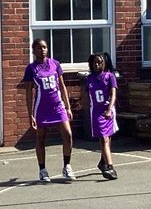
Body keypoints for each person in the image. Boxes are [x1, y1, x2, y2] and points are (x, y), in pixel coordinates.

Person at [20, 38, 74, 182]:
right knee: (41, 139)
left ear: (47, 49)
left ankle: (67, 166)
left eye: (44, 47)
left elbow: (62, 87)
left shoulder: (55, 64)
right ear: (34, 50)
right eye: (38, 48)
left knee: (68, 134)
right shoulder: (31, 69)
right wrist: (30, 114)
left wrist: (68, 107)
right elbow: (29, 92)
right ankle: (43, 170)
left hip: (57, 106)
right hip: (41, 108)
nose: (42, 50)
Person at [86, 52, 119, 180]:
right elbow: (86, 95)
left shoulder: (110, 76)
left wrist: (109, 109)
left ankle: (102, 162)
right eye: (94, 63)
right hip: (96, 112)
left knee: (108, 138)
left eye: (99, 62)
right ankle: (110, 167)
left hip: (108, 110)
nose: (97, 65)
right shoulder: (89, 78)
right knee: (104, 139)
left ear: (104, 63)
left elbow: (113, 95)